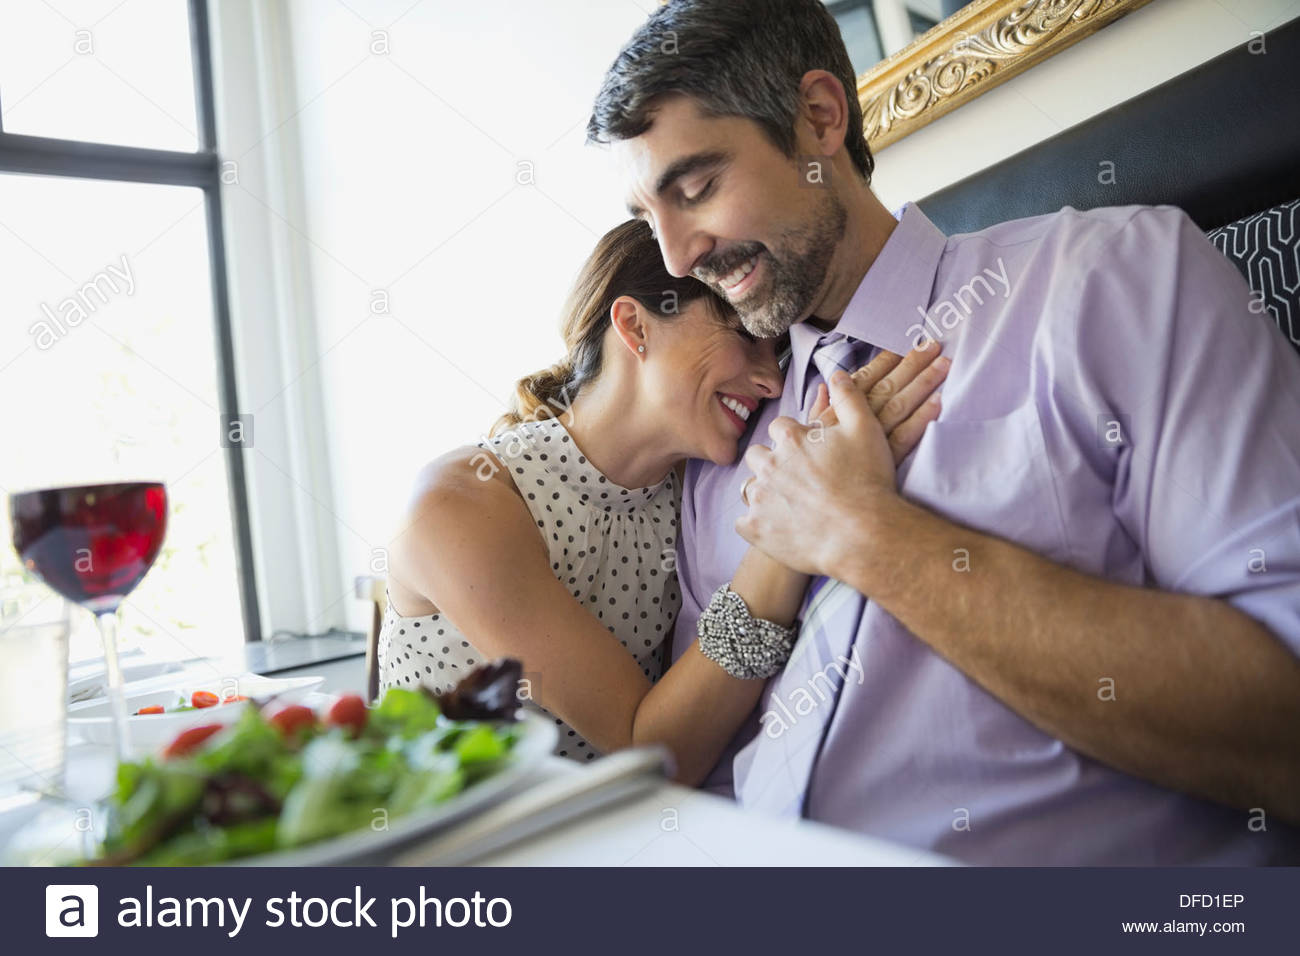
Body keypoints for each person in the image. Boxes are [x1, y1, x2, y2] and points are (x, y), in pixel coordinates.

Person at [587, 0, 1300, 862]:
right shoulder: (722, 441)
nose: (674, 257)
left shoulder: (1115, 278)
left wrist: (868, 535)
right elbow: (688, 768)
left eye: (696, 188)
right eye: (646, 216)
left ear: (819, 118)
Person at [378, 218, 947, 784]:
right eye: (745, 337)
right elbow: (643, 749)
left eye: (777, 355)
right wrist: (788, 532)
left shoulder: (699, 489)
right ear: (634, 326)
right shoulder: (458, 508)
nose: (773, 383)